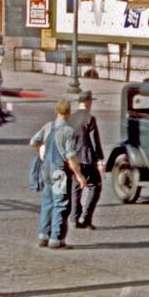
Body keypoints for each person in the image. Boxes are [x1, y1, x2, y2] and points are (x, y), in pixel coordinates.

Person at [29, 99, 88, 249]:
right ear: (68, 113)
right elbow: (70, 157)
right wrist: (79, 176)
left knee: (47, 202)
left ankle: (43, 235)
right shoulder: (68, 131)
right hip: (59, 171)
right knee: (60, 204)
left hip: (46, 170)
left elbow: (33, 142)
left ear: (56, 111)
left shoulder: (48, 126)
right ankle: (56, 238)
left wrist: (41, 148)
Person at [68, 90, 104, 230]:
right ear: (88, 102)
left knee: (76, 188)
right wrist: (100, 160)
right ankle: (86, 217)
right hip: (87, 158)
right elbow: (95, 141)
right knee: (95, 187)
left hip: (74, 158)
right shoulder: (90, 118)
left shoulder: (71, 118)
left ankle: (74, 217)